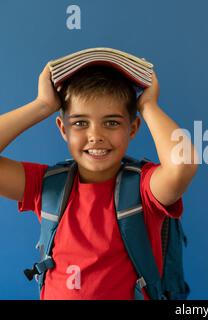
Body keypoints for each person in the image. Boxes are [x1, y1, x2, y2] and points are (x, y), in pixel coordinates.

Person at [0, 62, 198, 299]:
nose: (96, 136)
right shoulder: (46, 185)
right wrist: (42, 105)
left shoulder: (143, 188)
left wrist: (148, 106)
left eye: (112, 122)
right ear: (63, 129)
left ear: (133, 128)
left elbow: (182, 166)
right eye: (80, 123)